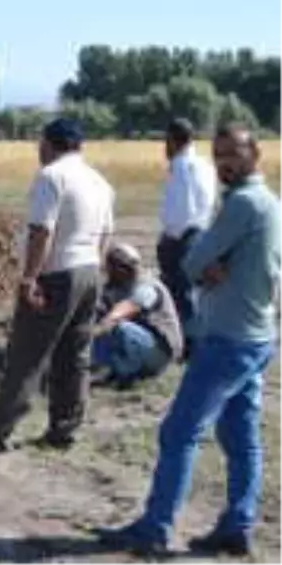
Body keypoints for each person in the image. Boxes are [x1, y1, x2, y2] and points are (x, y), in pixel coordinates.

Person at [98, 125, 282, 557]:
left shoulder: (242, 204)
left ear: (255, 153)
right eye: (219, 155)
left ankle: (154, 529)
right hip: (257, 336)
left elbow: (193, 258)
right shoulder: (272, 203)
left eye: (233, 154)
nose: (224, 163)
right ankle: (237, 526)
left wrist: (211, 264)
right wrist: (218, 265)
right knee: (241, 437)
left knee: (179, 432)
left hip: (228, 339)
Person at [0, 117, 115, 455]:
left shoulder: (51, 177)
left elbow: (41, 232)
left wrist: (30, 278)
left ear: (49, 143)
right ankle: (64, 429)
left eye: (40, 143)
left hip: (57, 273)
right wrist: (95, 270)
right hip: (89, 270)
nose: (38, 149)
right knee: (74, 356)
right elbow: (106, 234)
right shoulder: (99, 182)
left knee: (27, 356)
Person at [156, 118, 217, 361]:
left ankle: (190, 345)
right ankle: (195, 340)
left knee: (182, 293)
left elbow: (182, 209)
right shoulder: (204, 164)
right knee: (193, 291)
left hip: (183, 236)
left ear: (172, 140)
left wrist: (170, 236)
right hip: (201, 231)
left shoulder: (181, 166)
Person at [90, 243, 184, 389]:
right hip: (138, 344)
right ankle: (113, 370)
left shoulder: (147, 285)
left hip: (160, 352)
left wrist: (99, 328)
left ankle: (127, 374)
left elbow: (129, 307)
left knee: (119, 328)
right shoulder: (115, 287)